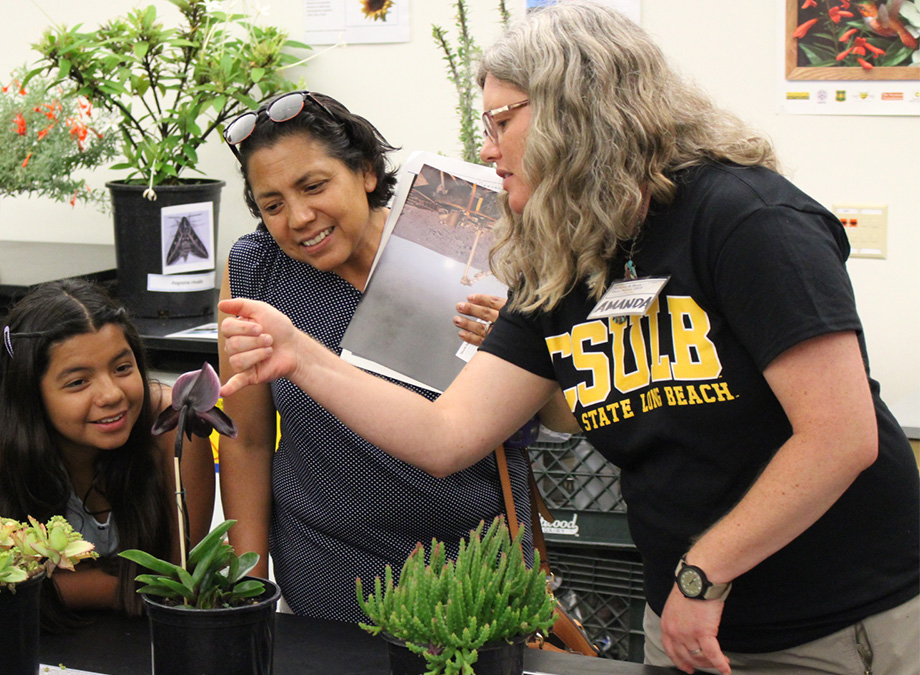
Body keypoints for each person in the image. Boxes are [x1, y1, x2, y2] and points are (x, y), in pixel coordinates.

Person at [218, 3, 919, 674]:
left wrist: (707, 574)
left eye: (500, 121)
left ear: (575, 108)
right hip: (686, 617)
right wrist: (301, 356)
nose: (487, 150)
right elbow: (446, 436)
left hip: (833, 619)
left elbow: (840, 436)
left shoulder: (746, 219)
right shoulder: (566, 256)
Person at [218, 90, 550, 623]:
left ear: (368, 171)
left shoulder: (474, 241)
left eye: (314, 186)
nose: (299, 217)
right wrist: (247, 584)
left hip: (475, 568)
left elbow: (563, 416)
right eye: (272, 204)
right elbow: (248, 439)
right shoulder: (258, 271)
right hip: (326, 569)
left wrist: (518, 341)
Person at [0, 279, 214, 628]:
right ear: (30, 392)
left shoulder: (172, 425)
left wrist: (67, 585)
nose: (111, 394)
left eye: (122, 368)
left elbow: (180, 578)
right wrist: (129, 587)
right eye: (78, 382)